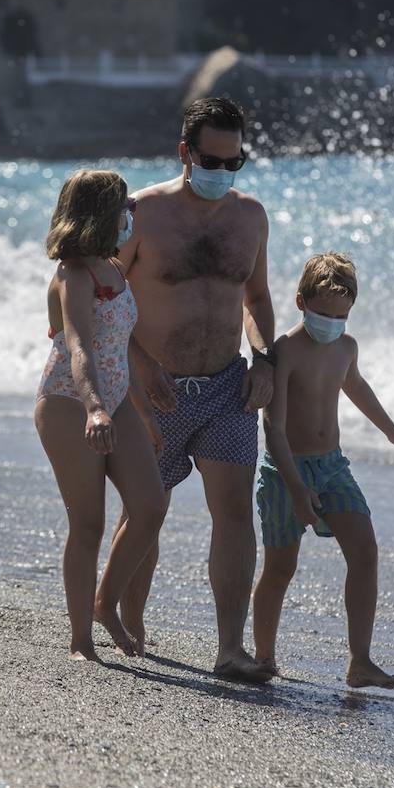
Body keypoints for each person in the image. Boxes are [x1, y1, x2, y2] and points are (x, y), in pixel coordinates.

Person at [107, 97, 277, 683]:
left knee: (233, 511)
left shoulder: (251, 216)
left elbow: (255, 298)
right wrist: (137, 366)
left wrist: (264, 357)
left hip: (228, 386)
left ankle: (230, 649)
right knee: (145, 512)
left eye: (235, 163)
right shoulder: (138, 214)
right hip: (153, 391)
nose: (222, 173)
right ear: (185, 152)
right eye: (212, 160)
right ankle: (129, 623)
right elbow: (101, 300)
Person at [252, 252, 394, 689]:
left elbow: (357, 387)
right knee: (280, 567)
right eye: (324, 314)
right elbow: (273, 428)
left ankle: (360, 661)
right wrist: (294, 487)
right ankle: (264, 655)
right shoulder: (285, 351)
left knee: (365, 551)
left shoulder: (346, 347)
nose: (332, 323)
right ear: (300, 302)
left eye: (341, 315)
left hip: (332, 467)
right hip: (284, 470)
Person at [35, 169, 169, 661]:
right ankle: (80, 642)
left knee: (150, 506)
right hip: (71, 402)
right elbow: (81, 348)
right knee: (88, 524)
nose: (130, 215)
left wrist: (142, 414)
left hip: (114, 400)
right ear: (97, 213)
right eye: (123, 207)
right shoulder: (74, 274)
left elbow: (119, 347)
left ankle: (105, 604)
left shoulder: (113, 264)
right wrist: (94, 408)